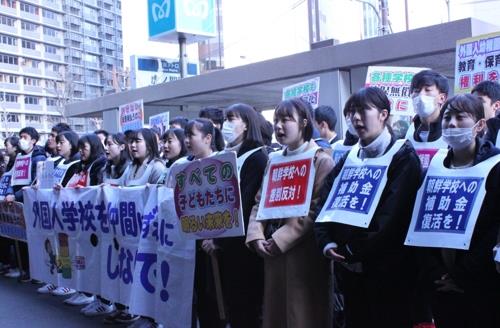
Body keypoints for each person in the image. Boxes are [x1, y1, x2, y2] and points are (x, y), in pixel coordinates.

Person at [313, 87, 421, 328]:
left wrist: (352, 250)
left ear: (384, 114)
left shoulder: (403, 155)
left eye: (363, 110)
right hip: (348, 271)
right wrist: (327, 242)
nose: (356, 118)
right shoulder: (349, 156)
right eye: (351, 113)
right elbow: (325, 203)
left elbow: (390, 216)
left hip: (388, 273)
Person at [246, 98, 334, 328]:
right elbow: (260, 202)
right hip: (272, 251)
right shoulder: (274, 160)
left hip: (304, 254)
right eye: (276, 120)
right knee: (276, 314)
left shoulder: (321, 160)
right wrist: (256, 234)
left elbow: (316, 208)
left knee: (302, 315)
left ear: (304, 122)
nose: (279, 126)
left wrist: (280, 238)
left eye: (287, 120)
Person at [417, 94, 500, 328]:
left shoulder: (496, 166)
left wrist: (462, 275)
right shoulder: (434, 167)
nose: (451, 124)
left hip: (482, 284)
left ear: (480, 125)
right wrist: (439, 274)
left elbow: (494, 228)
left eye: (460, 117)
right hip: (441, 284)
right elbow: (421, 223)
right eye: (447, 118)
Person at [211, 103, 268, 328]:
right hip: (226, 242)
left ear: (246, 124)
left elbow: (245, 203)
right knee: (232, 304)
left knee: (246, 305)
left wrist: (218, 237)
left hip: (243, 245)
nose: (226, 125)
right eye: (226, 119)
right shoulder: (226, 156)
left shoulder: (256, 157)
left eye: (232, 119)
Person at [37, 130, 81, 296]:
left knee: (67, 246)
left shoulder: (75, 162)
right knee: (58, 245)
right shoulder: (61, 161)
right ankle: (58, 279)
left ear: (71, 143)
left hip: (67, 209)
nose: (59, 145)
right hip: (54, 208)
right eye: (58, 142)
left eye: (62, 142)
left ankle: (69, 281)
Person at [5, 127, 47, 282]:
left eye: (25, 137)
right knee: (20, 238)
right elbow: (12, 178)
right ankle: (25, 269)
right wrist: (10, 193)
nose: (21, 139)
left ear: (34, 141)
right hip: (16, 201)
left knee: (33, 239)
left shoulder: (39, 158)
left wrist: (15, 196)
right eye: (20, 136)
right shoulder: (19, 158)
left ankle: (36, 272)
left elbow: (36, 182)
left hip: (29, 203)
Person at [406, 70, 449, 170]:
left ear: (442, 98)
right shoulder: (410, 130)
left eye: (427, 90)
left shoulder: (451, 130)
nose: (421, 95)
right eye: (416, 91)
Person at [0, 137, 20, 278]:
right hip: (4, 203)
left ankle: (20, 267)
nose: (5, 148)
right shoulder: (9, 164)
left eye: (7, 145)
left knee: (18, 238)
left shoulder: (20, 161)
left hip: (13, 203)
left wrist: (12, 195)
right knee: (6, 235)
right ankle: (8, 263)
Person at [471, 80, 500, 146]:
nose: (473, 105)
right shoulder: (466, 131)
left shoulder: (497, 135)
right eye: (472, 100)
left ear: (496, 105)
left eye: (479, 101)